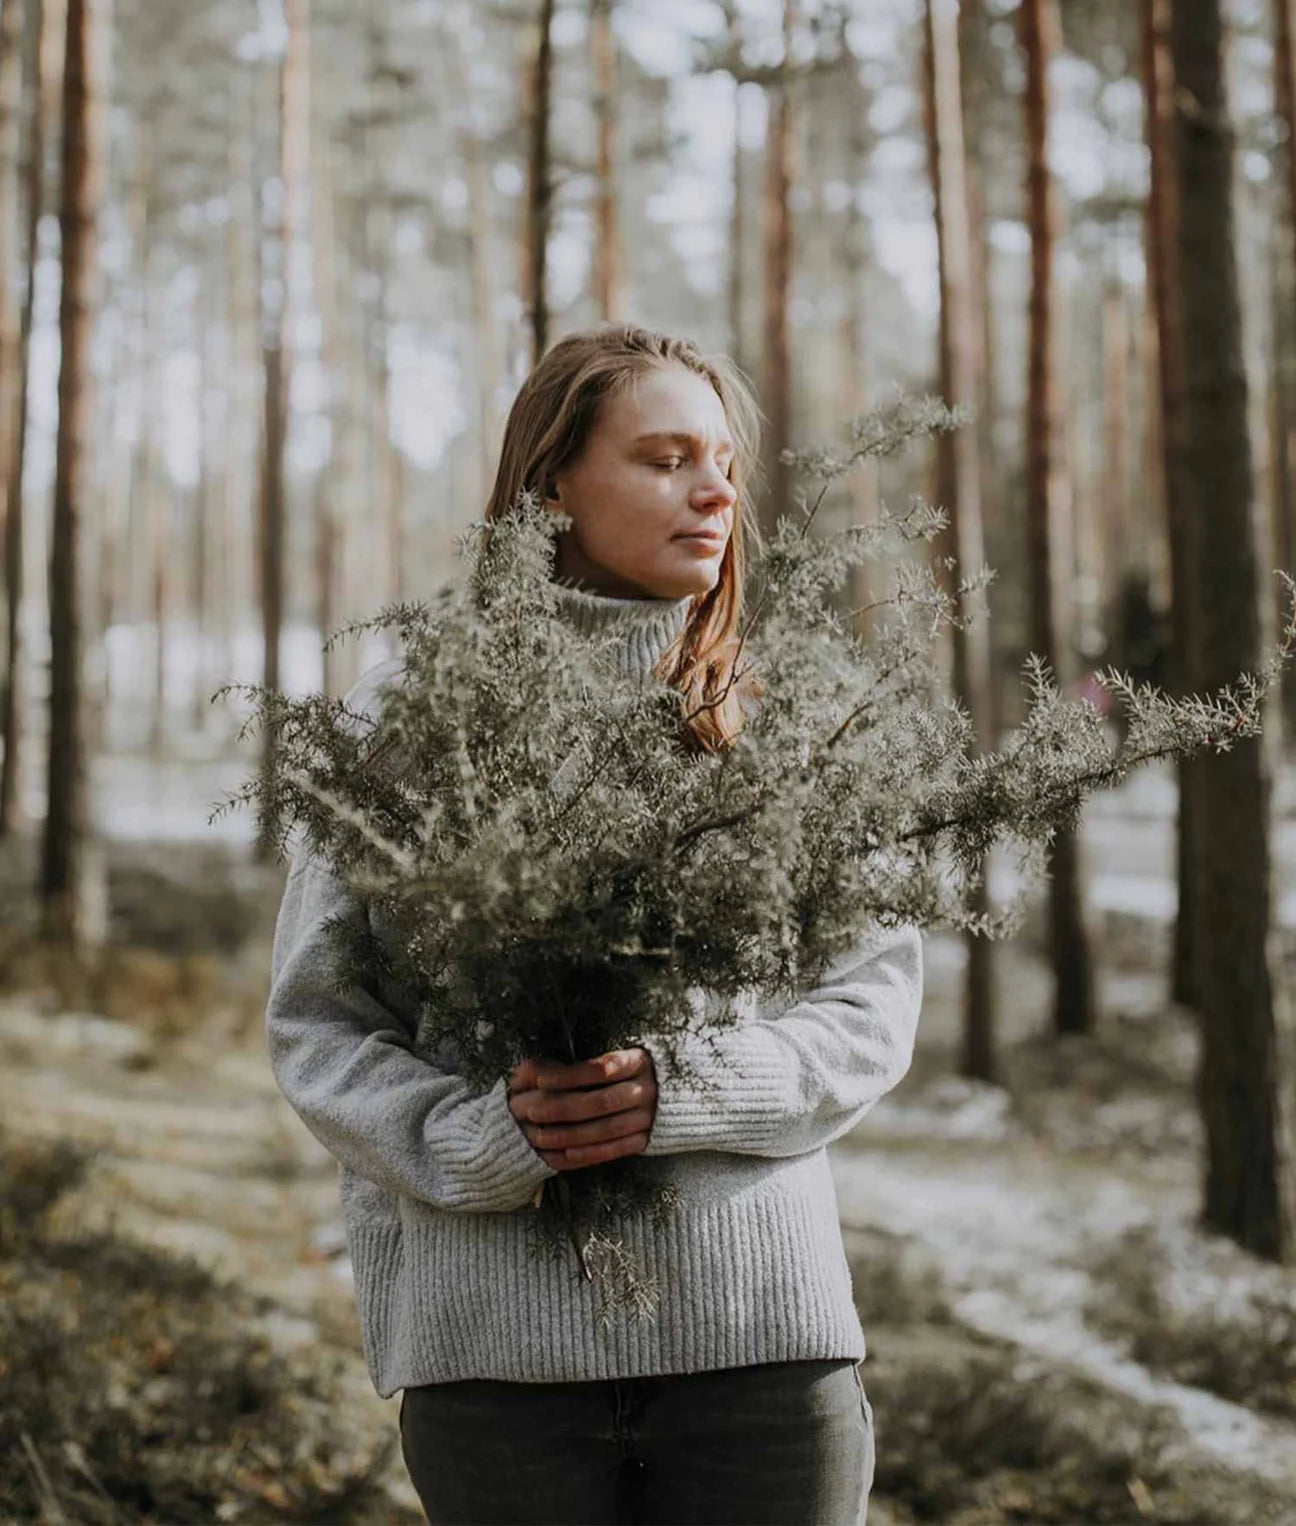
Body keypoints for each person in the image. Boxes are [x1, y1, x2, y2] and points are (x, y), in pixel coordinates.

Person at [265, 324, 924, 1525]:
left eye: (722, 458)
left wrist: (682, 1088)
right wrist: (486, 1137)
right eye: (666, 457)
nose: (717, 488)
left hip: (762, 1354)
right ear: (550, 485)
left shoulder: (782, 714)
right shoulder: (416, 709)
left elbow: (874, 1002)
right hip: (493, 1373)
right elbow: (319, 1027)